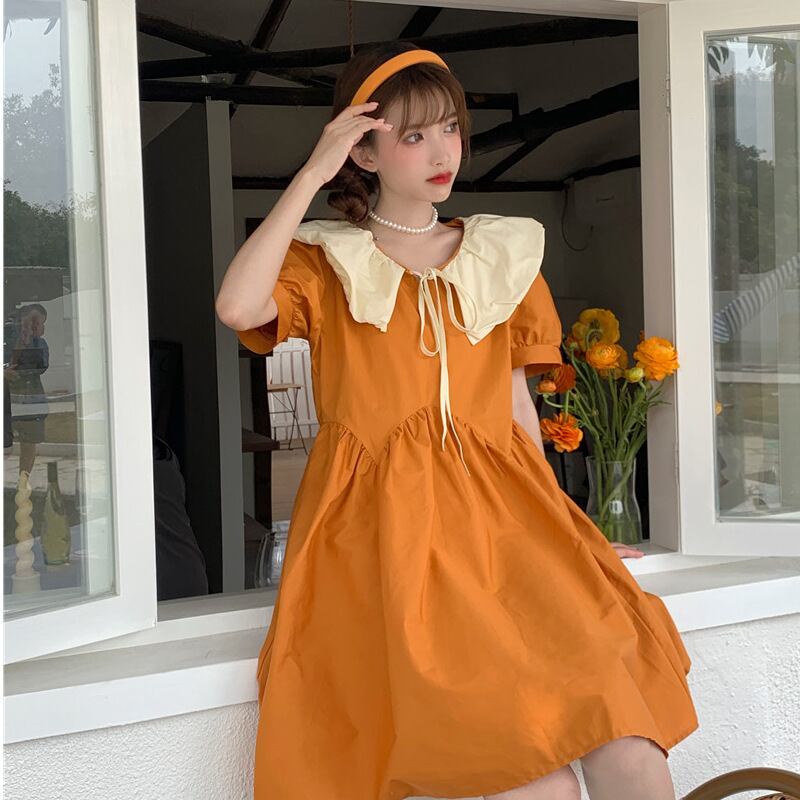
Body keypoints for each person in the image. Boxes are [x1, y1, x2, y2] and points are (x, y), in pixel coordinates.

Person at [216, 43, 698, 800]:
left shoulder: (502, 254)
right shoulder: (326, 262)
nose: (443, 152)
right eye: (413, 136)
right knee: (538, 785)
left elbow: (514, 408)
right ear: (363, 153)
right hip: (387, 531)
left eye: (449, 128)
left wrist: (568, 532)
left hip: (504, 519)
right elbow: (238, 307)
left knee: (633, 749)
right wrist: (310, 174)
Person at [4, 303, 50, 475]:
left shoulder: (40, 344)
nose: (34, 326)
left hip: (31, 403)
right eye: (31, 321)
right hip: (7, 402)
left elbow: (41, 367)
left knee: (29, 444)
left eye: (39, 323)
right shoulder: (5, 338)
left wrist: (28, 341)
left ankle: (23, 483)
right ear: (20, 319)